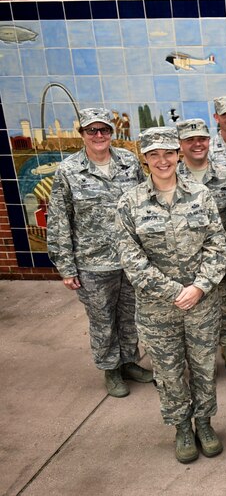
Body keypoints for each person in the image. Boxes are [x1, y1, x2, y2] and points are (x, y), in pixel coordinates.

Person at [116, 127, 226, 463]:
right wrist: (176, 292)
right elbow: (131, 260)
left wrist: (199, 287)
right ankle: (181, 426)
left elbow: (217, 246)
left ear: (178, 154)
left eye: (168, 153)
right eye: (154, 155)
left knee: (204, 366)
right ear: (144, 158)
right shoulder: (129, 203)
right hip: (157, 309)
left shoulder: (200, 195)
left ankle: (205, 423)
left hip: (201, 305)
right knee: (168, 370)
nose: (162, 160)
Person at [47, 107, 153, 397]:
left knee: (130, 316)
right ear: (81, 134)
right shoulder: (69, 171)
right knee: (102, 320)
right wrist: (66, 267)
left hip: (130, 260)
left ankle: (129, 361)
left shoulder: (129, 163)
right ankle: (110, 369)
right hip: (92, 263)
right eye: (91, 130)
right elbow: (59, 219)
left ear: (111, 133)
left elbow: (144, 205)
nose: (98, 135)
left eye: (104, 130)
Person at [176, 118, 226, 382]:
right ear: (180, 144)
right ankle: (197, 360)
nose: (197, 144)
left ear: (209, 140)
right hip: (185, 261)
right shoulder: (172, 176)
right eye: (190, 140)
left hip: (222, 257)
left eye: (201, 139)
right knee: (190, 310)